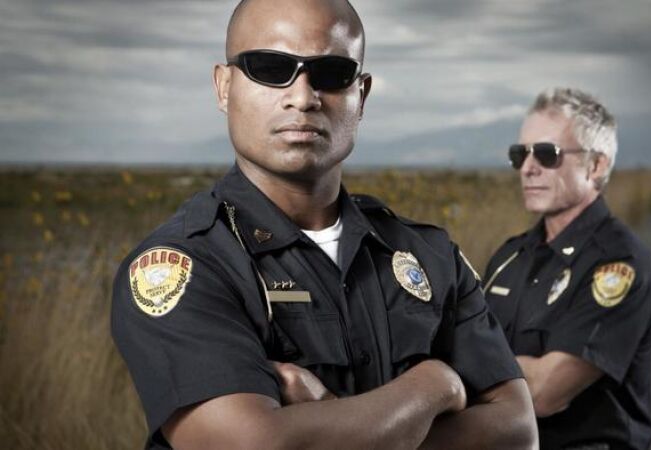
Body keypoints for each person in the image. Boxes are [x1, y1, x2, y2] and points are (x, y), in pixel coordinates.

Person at [111, 0, 537, 449]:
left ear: (362, 95)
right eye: (270, 68)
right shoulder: (188, 266)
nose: (303, 97)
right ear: (224, 87)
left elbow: (518, 432)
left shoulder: (429, 256)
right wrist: (432, 386)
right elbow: (252, 446)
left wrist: (332, 413)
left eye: (332, 73)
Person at [483, 87, 651, 450]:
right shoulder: (509, 257)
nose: (528, 168)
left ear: (596, 166)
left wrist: (454, 371)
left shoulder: (618, 265)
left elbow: (544, 392)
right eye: (520, 154)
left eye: (546, 154)